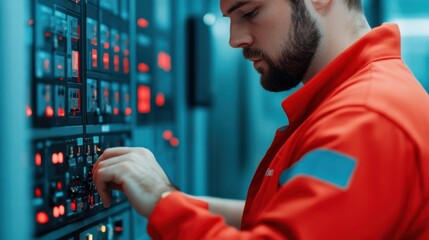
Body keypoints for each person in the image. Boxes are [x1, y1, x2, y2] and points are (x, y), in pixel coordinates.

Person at [93, 0, 429, 238]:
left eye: (250, 12)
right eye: (230, 18)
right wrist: (170, 200)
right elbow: (290, 219)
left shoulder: (365, 119)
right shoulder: (355, 98)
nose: (235, 39)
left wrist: (162, 200)